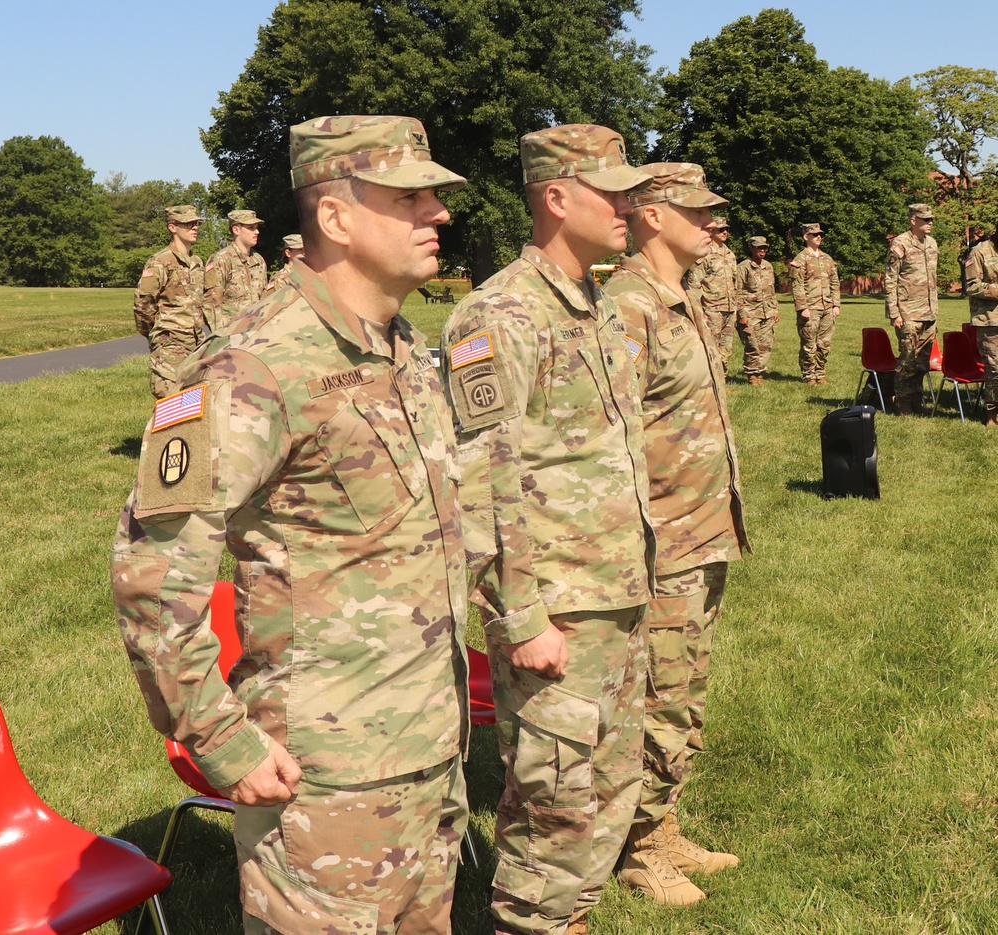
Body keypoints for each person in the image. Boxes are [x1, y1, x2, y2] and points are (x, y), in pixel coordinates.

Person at [111, 115, 471, 935]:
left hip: (427, 749)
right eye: (410, 196)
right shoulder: (249, 365)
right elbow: (150, 575)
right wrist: (222, 741)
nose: (438, 214)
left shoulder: (404, 346)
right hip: (325, 777)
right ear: (337, 218)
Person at [440, 124, 655, 935]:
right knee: (555, 804)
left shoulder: (594, 304)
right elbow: (481, 479)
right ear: (557, 198)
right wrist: (518, 614)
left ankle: (572, 919)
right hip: (556, 608)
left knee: (608, 787)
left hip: (615, 594)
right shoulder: (496, 314)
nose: (632, 206)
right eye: (616, 192)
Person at [604, 163, 749, 907]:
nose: (710, 221)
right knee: (658, 696)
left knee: (684, 693)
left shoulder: (674, 297)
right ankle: (634, 847)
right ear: (652, 216)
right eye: (696, 210)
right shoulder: (628, 305)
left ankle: (662, 825)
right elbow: (607, 431)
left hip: (700, 533)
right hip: (660, 540)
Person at [133, 204, 206, 399]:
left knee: (193, 405)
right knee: (170, 403)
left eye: (196, 223)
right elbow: (143, 304)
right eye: (188, 224)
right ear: (172, 227)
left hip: (196, 345)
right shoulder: (160, 262)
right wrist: (159, 334)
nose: (195, 227)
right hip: (170, 346)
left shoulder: (197, 262)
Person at [885, 203, 938, 416]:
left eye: (931, 219)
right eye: (926, 219)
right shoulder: (900, 244)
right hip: (908, 313)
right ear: (913, 220)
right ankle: (903, 402)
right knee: (907, 360)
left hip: (929, 312)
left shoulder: (932, 244)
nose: (930, 223)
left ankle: (918, 400)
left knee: (923, 363)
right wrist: (894, 312)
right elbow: (890, 279)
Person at [789, 223, 840, 385]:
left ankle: (820, 373)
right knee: (809, 344)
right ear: (806, 237)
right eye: (815, 234)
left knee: (824, 344)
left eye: (820, 234)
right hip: (810, 308)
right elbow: (797, 285)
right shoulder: (800, 259)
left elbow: (835, 282)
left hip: (827, 307)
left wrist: (836, 305)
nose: (819, 237)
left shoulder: (827, 259)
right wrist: (803, 307)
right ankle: (809, 375)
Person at [686, 215, 738, 373]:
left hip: (730, 307)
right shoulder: (705, 255)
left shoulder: (730, 255)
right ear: (712, 231)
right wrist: (696, 308)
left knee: (726, 346)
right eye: (721, 229)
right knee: (711, 344)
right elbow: (694, 282)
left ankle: (723, 377)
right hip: (712, 308)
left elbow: (736, 283)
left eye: (727, 229)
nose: (725, 232)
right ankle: (710, 376)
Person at [204, 209, 268, 333]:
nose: (257, 232)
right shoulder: (222, 259)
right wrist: (221, 336)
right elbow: (212, 303)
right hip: (230, 334)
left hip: (255, 332)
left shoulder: (259, 260)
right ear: (236, 230)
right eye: (251, 228)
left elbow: (264, 299)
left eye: (256, 228)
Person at [964, 227, 998, 426]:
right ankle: (992, 414)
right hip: (989, 320)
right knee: (995, 369)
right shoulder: (979, 252)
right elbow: (972, 285)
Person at [736, 236, 779, 385]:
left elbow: (772, 290)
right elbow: (737, 291)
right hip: (750, 312)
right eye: (758, 247)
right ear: (751, 248)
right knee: (752, 344)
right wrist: (742, 314)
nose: (762, 250)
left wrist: (775, 309)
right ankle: (752, 374)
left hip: (767, 311)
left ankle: (759, 372)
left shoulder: (768, 266)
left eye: (764, 248)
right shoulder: (744, 267)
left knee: (766, 345)